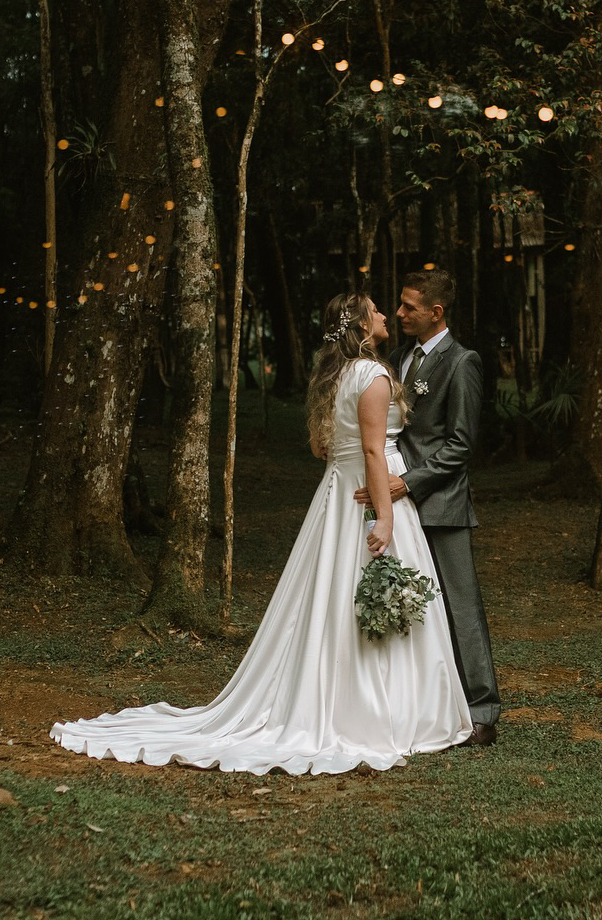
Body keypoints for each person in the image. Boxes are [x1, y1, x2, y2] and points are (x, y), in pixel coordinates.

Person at [50, 292, 473, 775]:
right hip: (370, 493)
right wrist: (386, 515)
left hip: (336, 493)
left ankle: (344, 694)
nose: (384, 316)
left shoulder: (334, 377)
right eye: (376, 311)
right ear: (360, 325)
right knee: (371, 590)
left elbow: (322, 447)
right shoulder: (374, 377)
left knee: (331, 597)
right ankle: (387, 710)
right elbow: (376, 454)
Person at [355, 268, 500, 741]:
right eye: (397, 305)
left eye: (409, 307)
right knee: (418, 610)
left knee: (460, 606)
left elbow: (460, 445)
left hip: (439, 502)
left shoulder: (463, 362)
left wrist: (406, 484)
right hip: (399, 501)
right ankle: (431, 705)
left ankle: (483, 712)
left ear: (436, 312)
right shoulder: (397, 358)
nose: (399, 313)